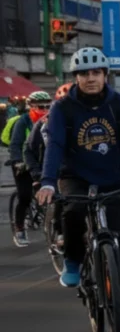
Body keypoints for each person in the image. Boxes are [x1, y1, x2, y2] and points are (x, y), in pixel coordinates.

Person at [36, 47, 120, 330]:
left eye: (96, 72)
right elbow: (55, 145)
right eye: (84, 73)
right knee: (73, 210)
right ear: (76, 77)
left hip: (112, 177)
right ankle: (73, 259)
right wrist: (47, 181)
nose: (90, 78)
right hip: (75, 176)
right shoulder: (62, 108)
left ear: (105, 75)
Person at [8, 90, 51, 246]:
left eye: (48, 106)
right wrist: (17, 161)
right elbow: (15, 144)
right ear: (31, 106)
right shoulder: (23, 122)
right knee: (24, 196)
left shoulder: (51, 120)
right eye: (40, 106)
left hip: (42, 163)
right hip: (23, 164)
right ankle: (19, 229)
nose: (44, 110)